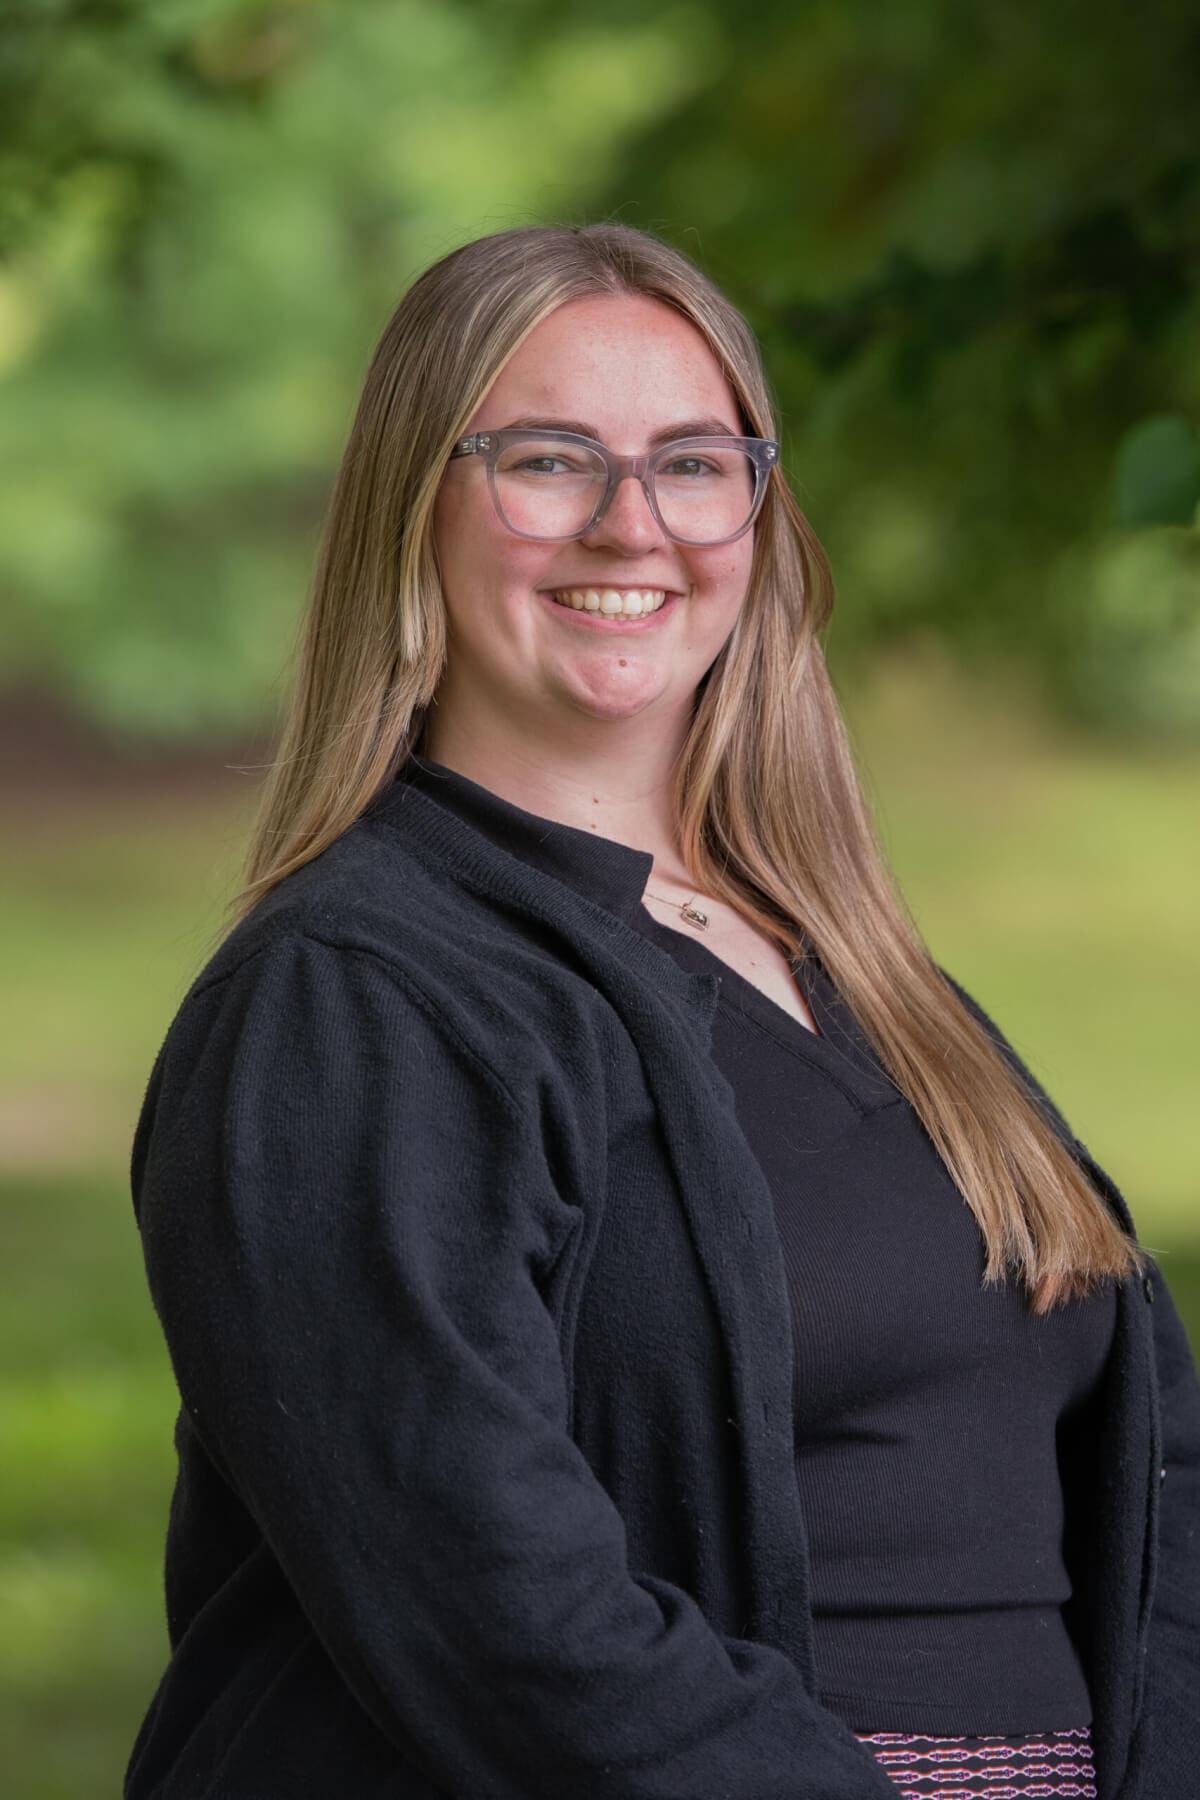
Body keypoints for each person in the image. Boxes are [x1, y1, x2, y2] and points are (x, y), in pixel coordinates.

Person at [125, 222, 1200, 1800]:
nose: (631, 524)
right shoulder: (349, 998)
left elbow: (1152, 1474)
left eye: (695, 463)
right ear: (413, 507)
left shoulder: (862, 972)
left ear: (757, 514)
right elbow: (495, 1608)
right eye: (548, 461)